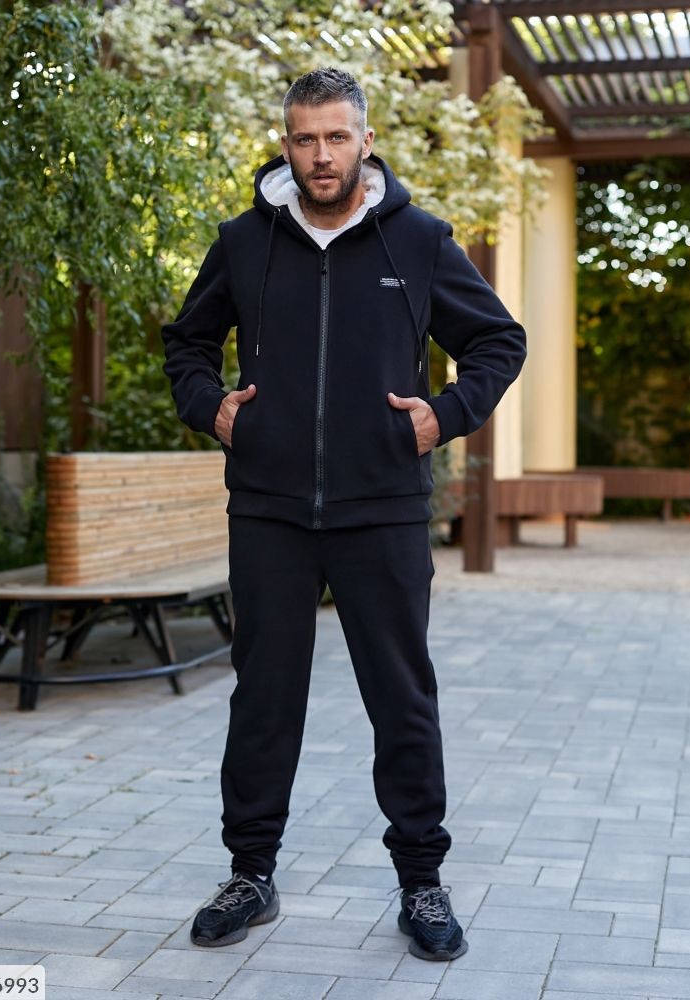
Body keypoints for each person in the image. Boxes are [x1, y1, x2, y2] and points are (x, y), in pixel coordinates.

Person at [161, 66, 526, 962]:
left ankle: (422, 881)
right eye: (305, 139)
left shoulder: (420, 240)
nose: (320, 155)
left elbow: (497, 340)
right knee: (264, 697)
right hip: (270, 508)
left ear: (365, 140)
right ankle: (251, 872)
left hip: (383, 506)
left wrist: (445, 414)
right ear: (285, 145)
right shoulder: (244, 242)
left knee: (402, 698)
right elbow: (187, 342)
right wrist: (212, 407)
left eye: (336, 137)